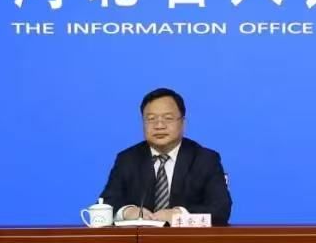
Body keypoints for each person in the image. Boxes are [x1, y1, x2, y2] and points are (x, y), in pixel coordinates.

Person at [99, 87, 232, 225]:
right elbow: (105, 203)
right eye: (151, 119)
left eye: (168, 118)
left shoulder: (205, 160)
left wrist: (178, 215)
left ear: (183, 123)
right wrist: (127, 212)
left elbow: (221, 210)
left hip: (187, 238)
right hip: (140, 237)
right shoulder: (127, 159)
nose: (159, 125)